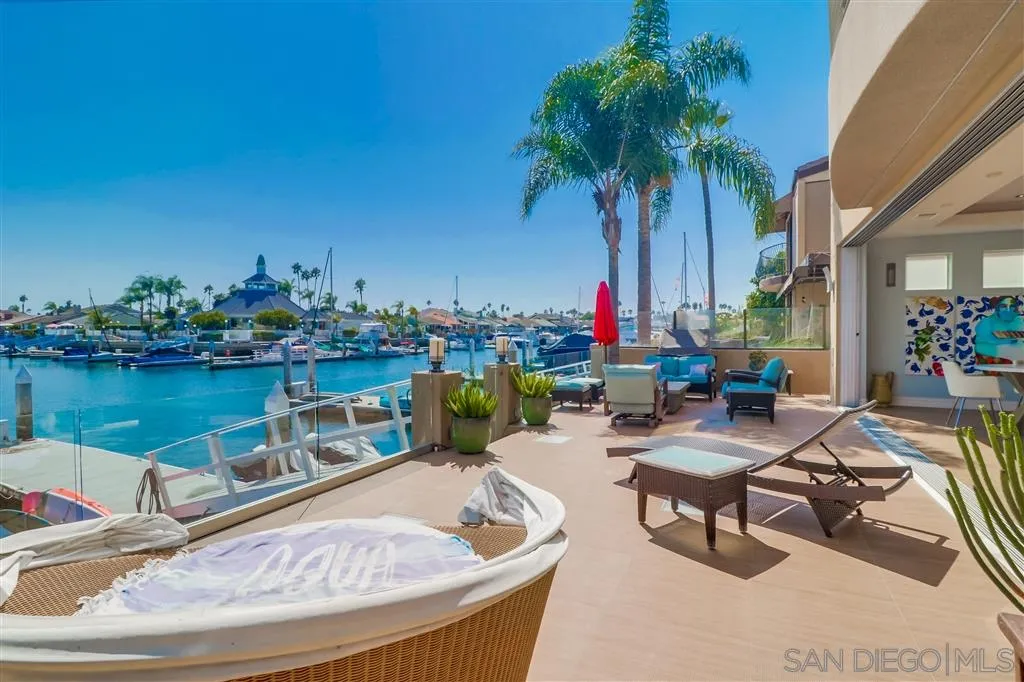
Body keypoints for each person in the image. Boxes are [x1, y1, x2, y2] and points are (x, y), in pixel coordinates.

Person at [975, 296, 1024, 366]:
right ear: (997, 308)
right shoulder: (986, 322)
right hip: (993, 357)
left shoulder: (1020, 320)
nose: (1008, 309)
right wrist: (1010, 339)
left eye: (1012, 306)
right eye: (1003, 306)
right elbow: (987, 338)